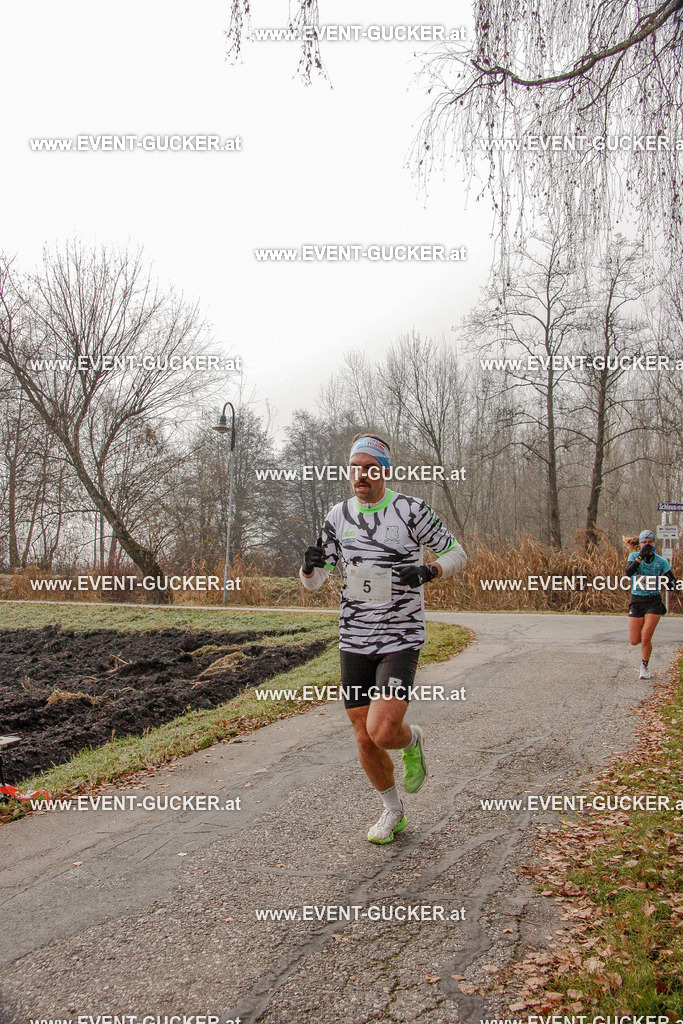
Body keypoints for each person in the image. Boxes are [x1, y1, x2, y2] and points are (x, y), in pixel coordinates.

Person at [300, 434, 467, 844]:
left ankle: (412, 739)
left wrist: (429, 572)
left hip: (400, 635)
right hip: (354, 636)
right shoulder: (338, 515)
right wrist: (307, 569)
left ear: (383, 471)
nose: (361, 475)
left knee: (382, 729)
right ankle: (392, 810)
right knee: (362, 733)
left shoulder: (409, 510)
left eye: (369, 467)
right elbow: (316, 581)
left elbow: (457, 552)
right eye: (354, 468)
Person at [624, 530, 677, 679]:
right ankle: (644, 651)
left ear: (654, 543)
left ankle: (644, 666)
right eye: (644, 542)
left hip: (653, 600)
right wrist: (641, 556)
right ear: (640, 544)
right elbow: (628, 572)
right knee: (635, 640)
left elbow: (672, 580)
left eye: (650, 542)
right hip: (637, 600)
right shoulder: (634, 556)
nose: (647, 545)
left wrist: (670, 583)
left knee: (646, 637)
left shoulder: (661, 561)